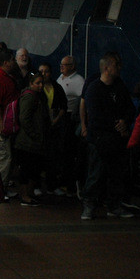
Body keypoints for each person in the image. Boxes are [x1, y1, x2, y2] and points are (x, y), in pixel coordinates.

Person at [81, 53, 136, 220]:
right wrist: (116, 123)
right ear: (106, 68)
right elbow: (96, 116)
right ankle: (89, 205)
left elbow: (130, 108)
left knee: (116, 174)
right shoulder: (94, 88)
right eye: (116, 65)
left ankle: (114, 205)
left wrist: (125, 121)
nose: (119, 68)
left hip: (117, 140)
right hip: (100, 140)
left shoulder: (119, 86)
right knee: (96, 174)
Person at [16, 71, 67, 205]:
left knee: (34, 169)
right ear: (31, 83)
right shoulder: (29, 97)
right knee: (26, 170)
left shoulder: (38, 96)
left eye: (41, 83)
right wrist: (35, 134)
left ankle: (30, 193)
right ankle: (24, 195)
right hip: (28, 142)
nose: (40, 86)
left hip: (36, 142)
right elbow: (24, 118)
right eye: (37, 83)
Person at [0, 48, 22, 200]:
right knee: (4, 156)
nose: (15, 62)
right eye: (13, 60)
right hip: (2, 125)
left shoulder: (8, 76)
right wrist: (1, 125)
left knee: (8, 156)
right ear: (6, 62)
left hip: (10, 122)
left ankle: (4, 186)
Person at [57, 55, 86, 197]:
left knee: (68, 151)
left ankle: (70, 184)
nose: (62, 67)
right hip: (59, 116)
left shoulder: (79, 81)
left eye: (65, 64)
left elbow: (83, 100)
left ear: (72, 66)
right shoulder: (60, 78)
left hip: (69, 118)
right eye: (61, 64)